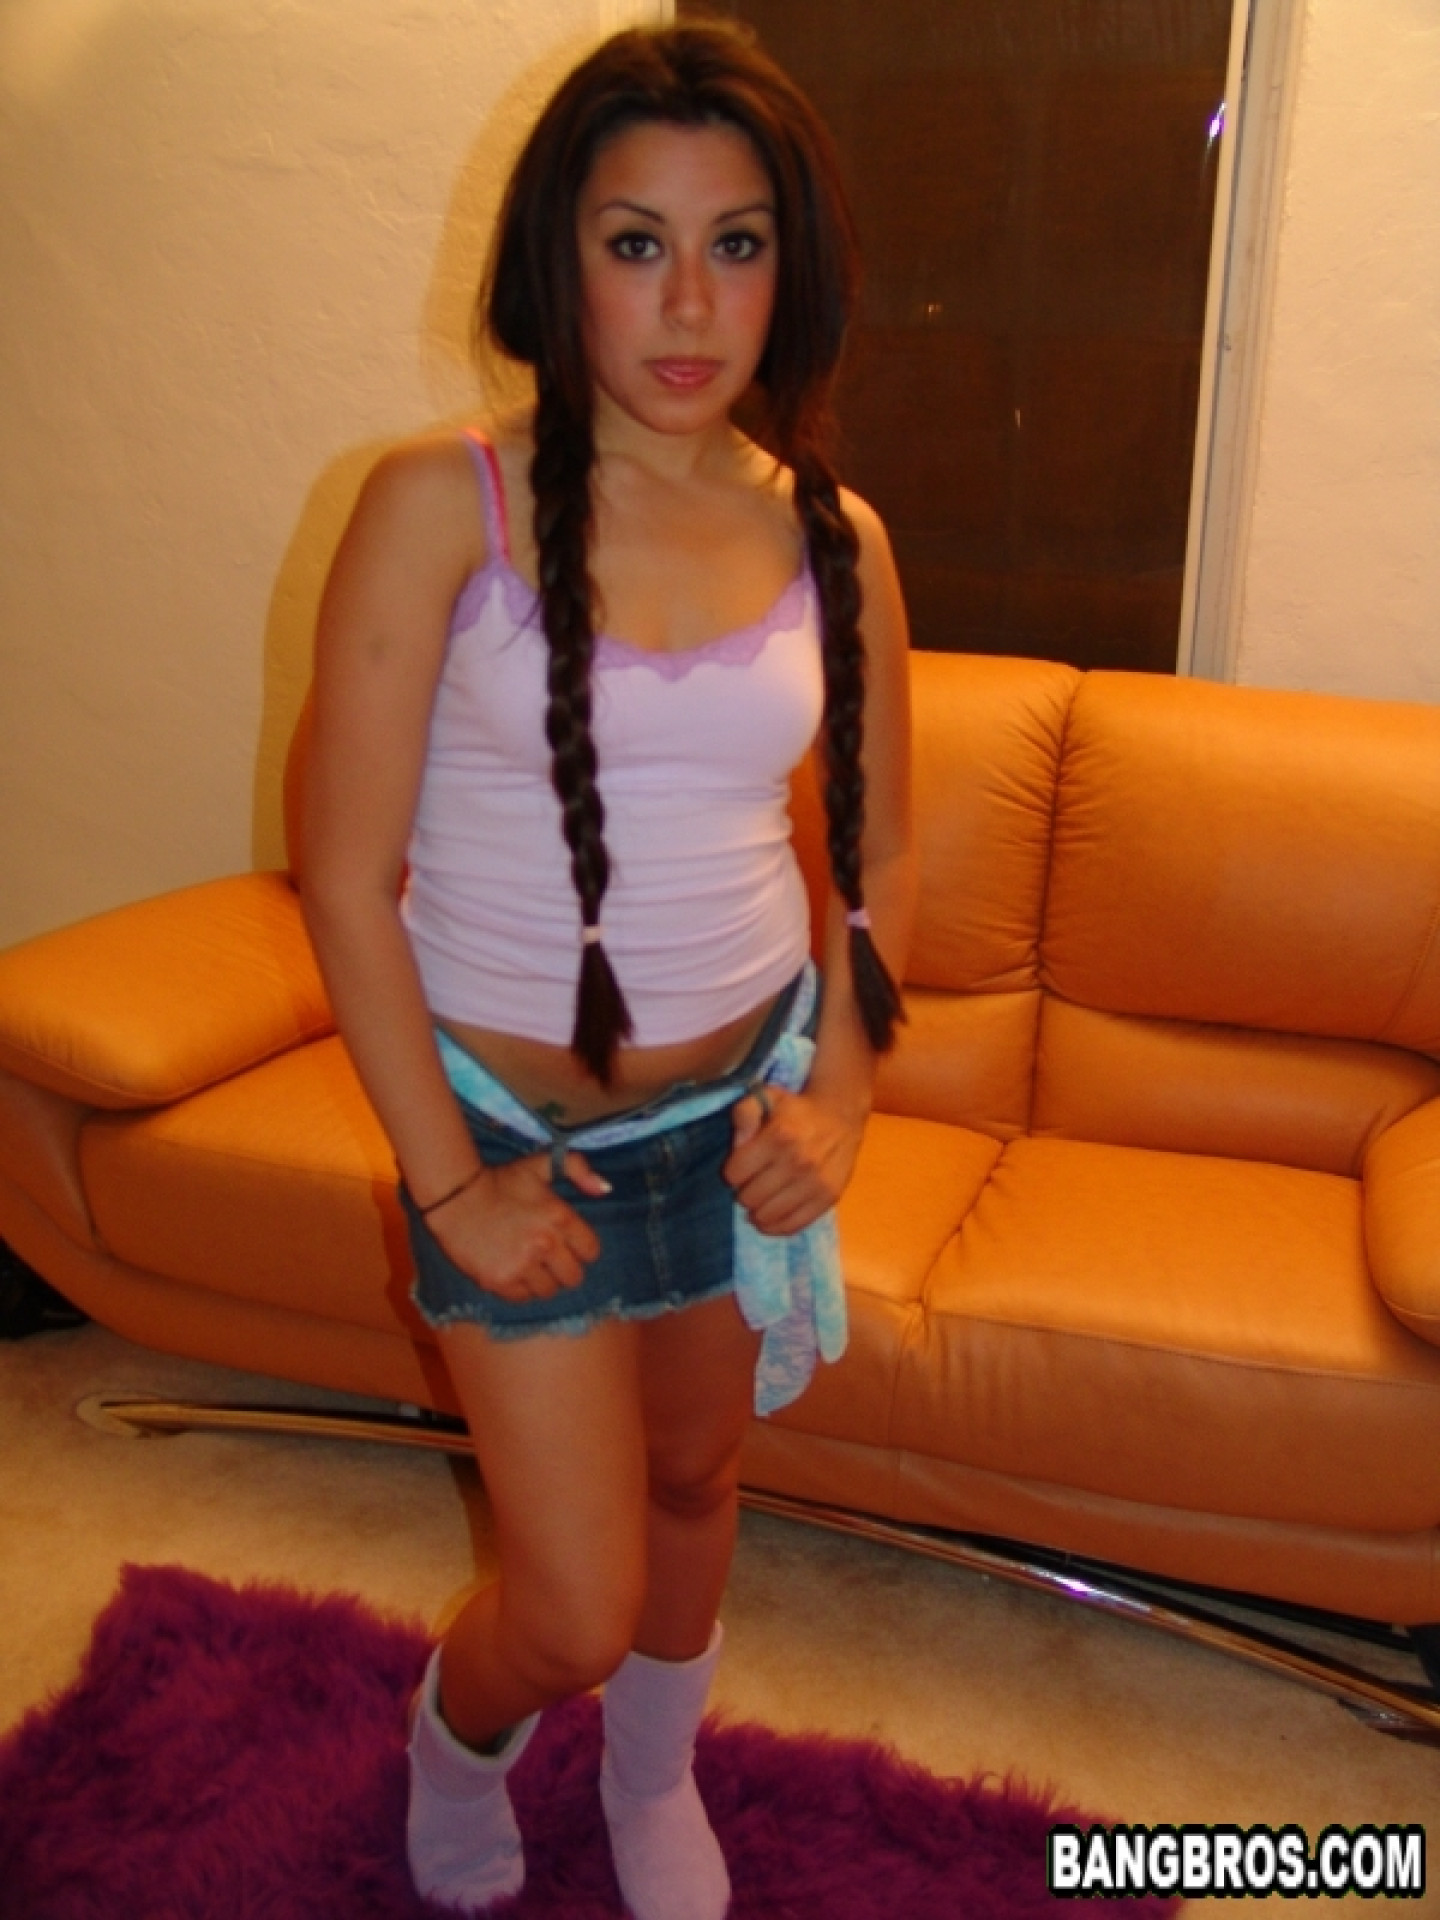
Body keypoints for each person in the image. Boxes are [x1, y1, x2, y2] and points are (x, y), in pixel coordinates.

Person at [300, 20, 914, 1918]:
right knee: (569, 1605)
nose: (690, 302)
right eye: (637, 242)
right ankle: (458, 1740)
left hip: (737, 1125)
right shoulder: (438, 505)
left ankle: (655, 1784)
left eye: (738, 244)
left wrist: (844, 1099)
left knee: (693, 1489)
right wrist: (450, 1186)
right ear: (557, 258)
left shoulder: (837, 539)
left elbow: (879, 862)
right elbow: (343, 878)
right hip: (511, 1146)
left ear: (792, 269)